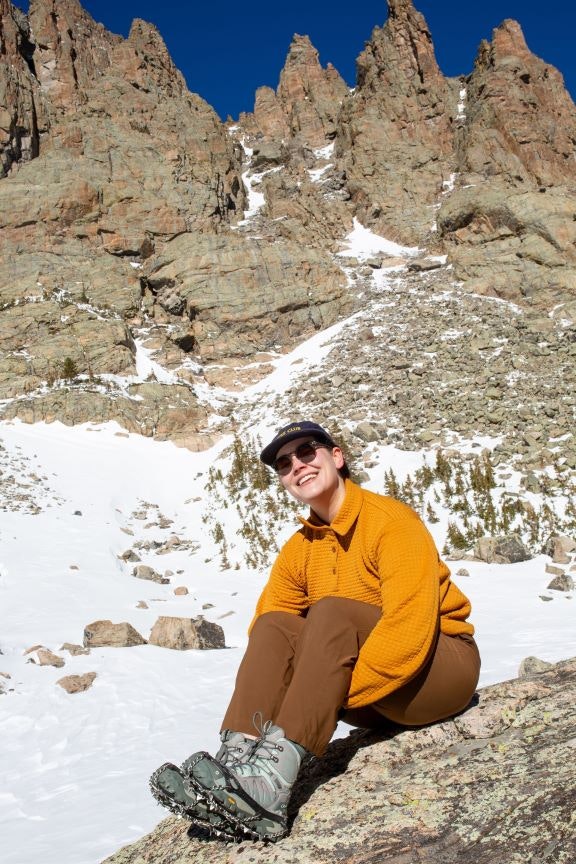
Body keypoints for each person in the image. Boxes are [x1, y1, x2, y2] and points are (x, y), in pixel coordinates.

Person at [150, 421, 480, 841]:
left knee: (332, 613)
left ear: (336, 457)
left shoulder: (390, 521)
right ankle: (237, 765)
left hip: (438, 670)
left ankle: (271, 785)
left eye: (307, 452)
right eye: (285, 464)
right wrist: (303, 700)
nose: (297, 465)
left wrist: (326, 692)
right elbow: (273, 636)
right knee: (273, 626)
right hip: (372, 695)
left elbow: (408, 630)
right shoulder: (299, 550)